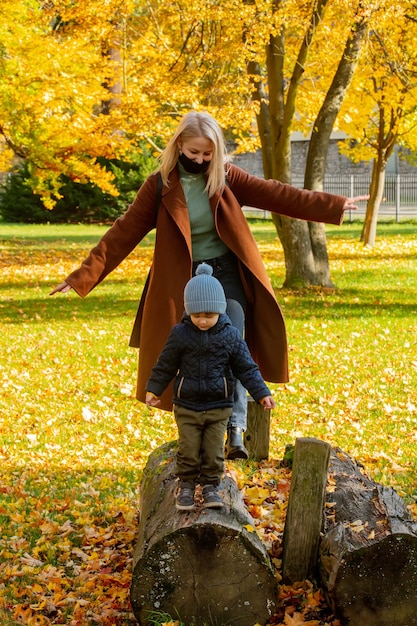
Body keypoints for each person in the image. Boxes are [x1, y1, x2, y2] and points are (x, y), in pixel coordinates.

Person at [50, 110, 367, 460]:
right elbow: (122, 233)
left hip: (226, 272)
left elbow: (277, 195)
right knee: (188, 347)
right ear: (179, 146)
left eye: (207, 154)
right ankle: (197, 429)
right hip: (183, 279)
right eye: (194, 153)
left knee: (230, 337)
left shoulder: (226, 177)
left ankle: (235, 429)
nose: (200, 160)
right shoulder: (159, 186)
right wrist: (80, 277)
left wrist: (334, 206)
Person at [145, 263, 275, 510]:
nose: (203, 321)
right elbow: (165, 365)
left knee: (214, 451)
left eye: (209, 315)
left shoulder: (230, 335)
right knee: (189, 449)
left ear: (220, 311)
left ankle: (210, 487)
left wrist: (262, 393)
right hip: (187, 406)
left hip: (218, 408)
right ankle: (185, 486)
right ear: (188, 312)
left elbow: (246, 367)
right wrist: (154, 389)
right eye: (197, 315)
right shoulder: (181, 334)